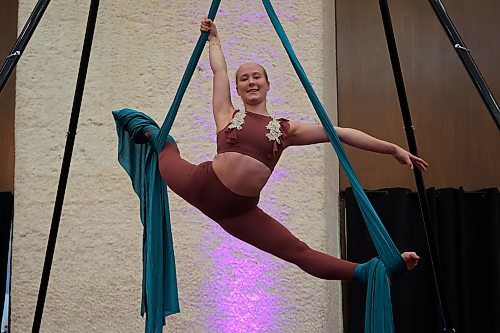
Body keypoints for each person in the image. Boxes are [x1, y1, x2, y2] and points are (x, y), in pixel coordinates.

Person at [149, 18, 425, 280]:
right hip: (200, 184)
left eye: (257, 77)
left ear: (268, 85)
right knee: (164, 146)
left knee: (297, 252)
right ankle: (138, 126)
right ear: (238, 89)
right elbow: (219, 70)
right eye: (244, 79)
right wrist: (214, 40)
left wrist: (391, 149)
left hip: (238, 212)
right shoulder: (226, 114)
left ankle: (370, 272)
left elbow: (339, 133)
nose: (251, 81)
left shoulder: (285, 130)